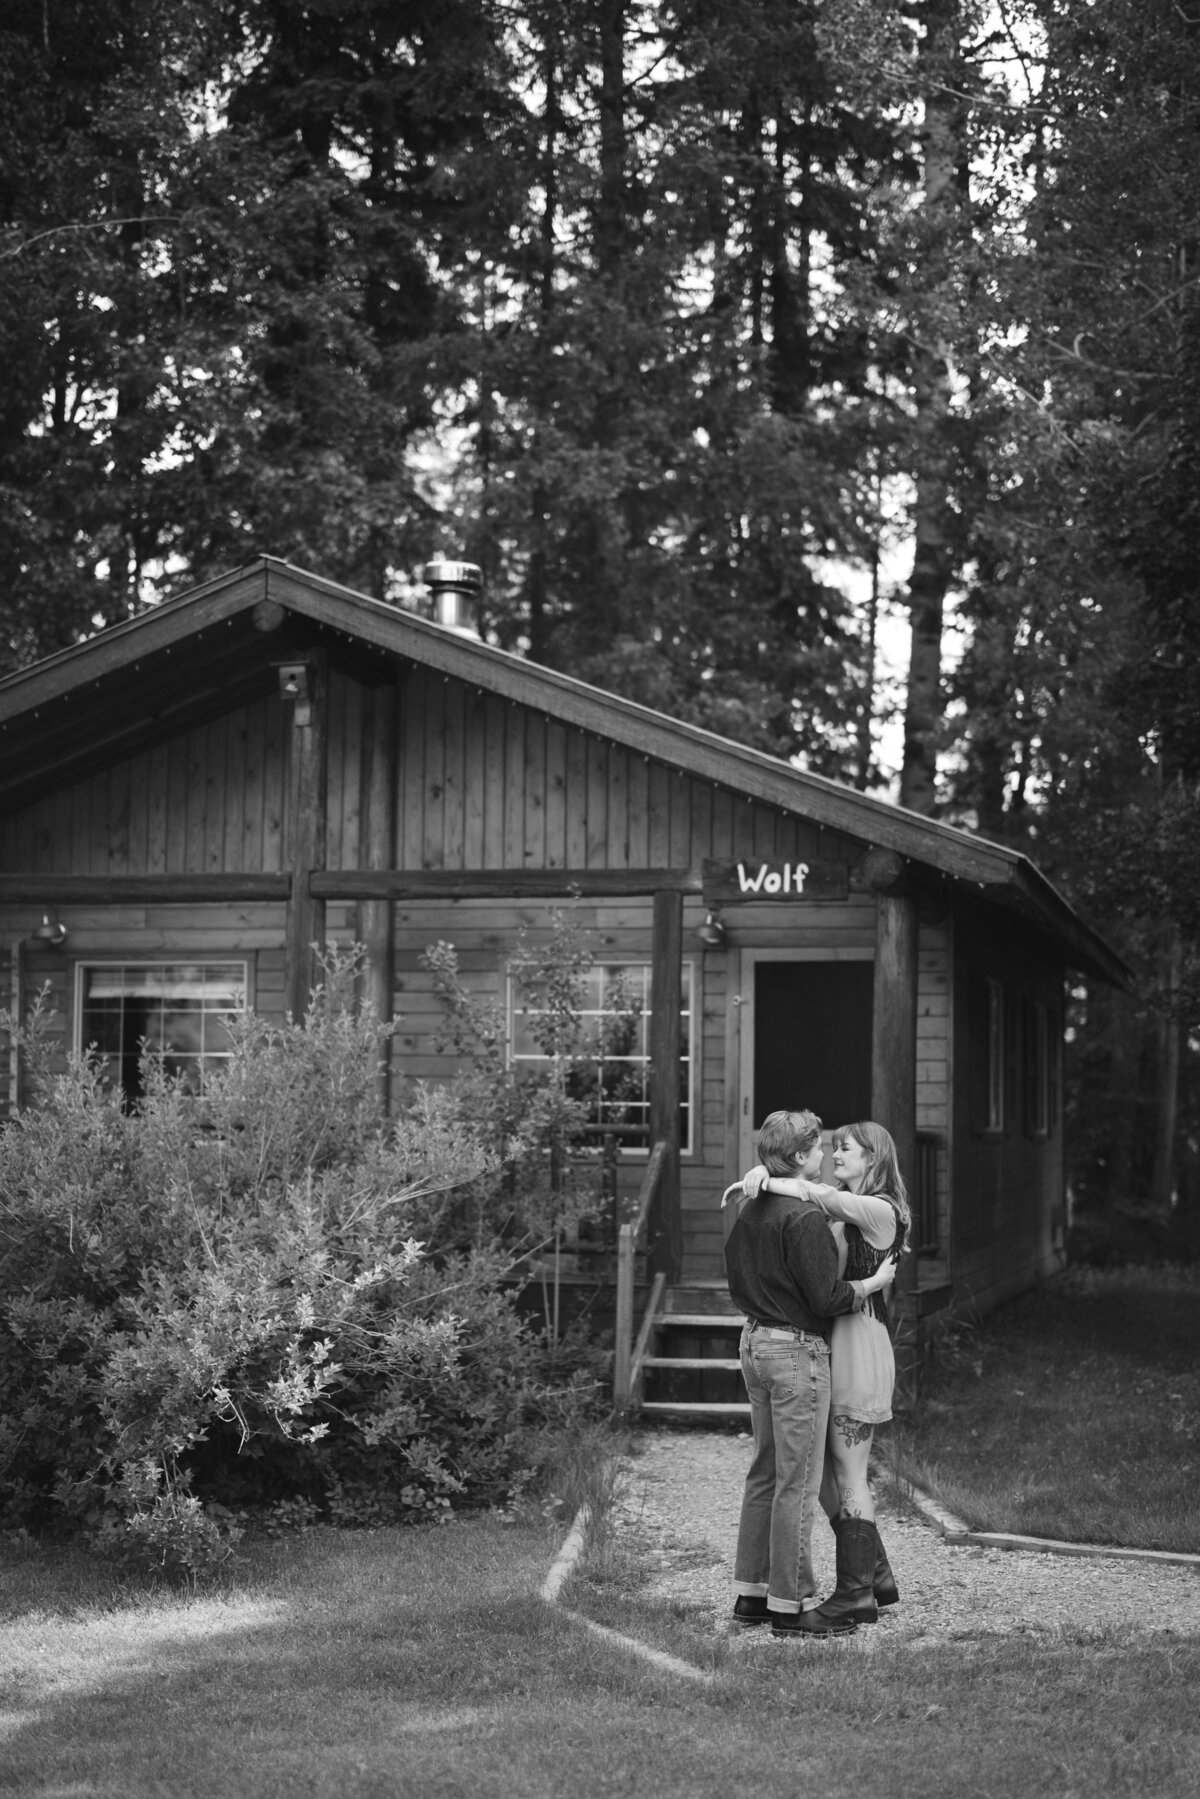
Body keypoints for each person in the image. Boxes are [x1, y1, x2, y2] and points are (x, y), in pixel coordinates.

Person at [723, 1109, 897, 1638]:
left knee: (824, 1474)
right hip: (806, 1346)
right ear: (803, 1156)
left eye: (845, 1148)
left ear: (875, 1159)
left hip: (844, 1344)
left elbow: (823, 1197)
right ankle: (812, 1595)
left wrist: (765, 1177)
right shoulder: (803, 1211)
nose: (832, 1154)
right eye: (826, 1147)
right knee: (805, 1478)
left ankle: (857, 1591)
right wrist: (774, 1177)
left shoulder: (875, 1210)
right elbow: (824, 1290)